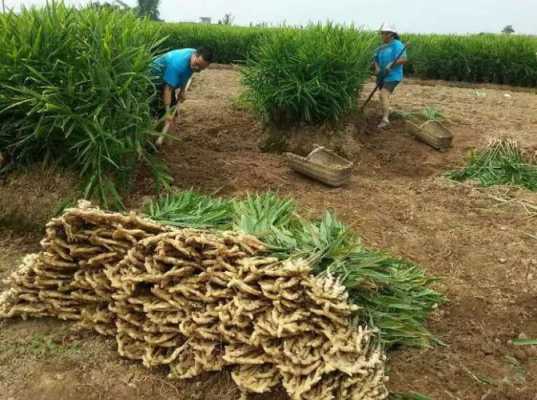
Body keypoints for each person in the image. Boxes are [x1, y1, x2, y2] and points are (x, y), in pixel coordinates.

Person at [151, 47, 214, 146]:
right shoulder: (177, 64)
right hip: (152, 80)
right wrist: (167, 112)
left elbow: (188, 72)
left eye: (201, 68)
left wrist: (182, 91)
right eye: (197, 65)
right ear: (194, 55)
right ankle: (153, 140)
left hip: (166, 80)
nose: (197, 69)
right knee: (160, 111)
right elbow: (168, 89)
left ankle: (169, 144)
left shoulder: (193, 58)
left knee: (172, 114)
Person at [373, 24, 407, 129]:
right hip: (382, 75)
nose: (382, 35)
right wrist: (377, 67)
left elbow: (404, 59)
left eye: (384, 33)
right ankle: (388, 111)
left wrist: (391, 63)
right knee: (382, 96)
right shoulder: (381, 47)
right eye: (382, 33)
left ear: (391, 34)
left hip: (393, 75)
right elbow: (375, 58)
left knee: (384, 93)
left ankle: (385, 119)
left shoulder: (397, 45)